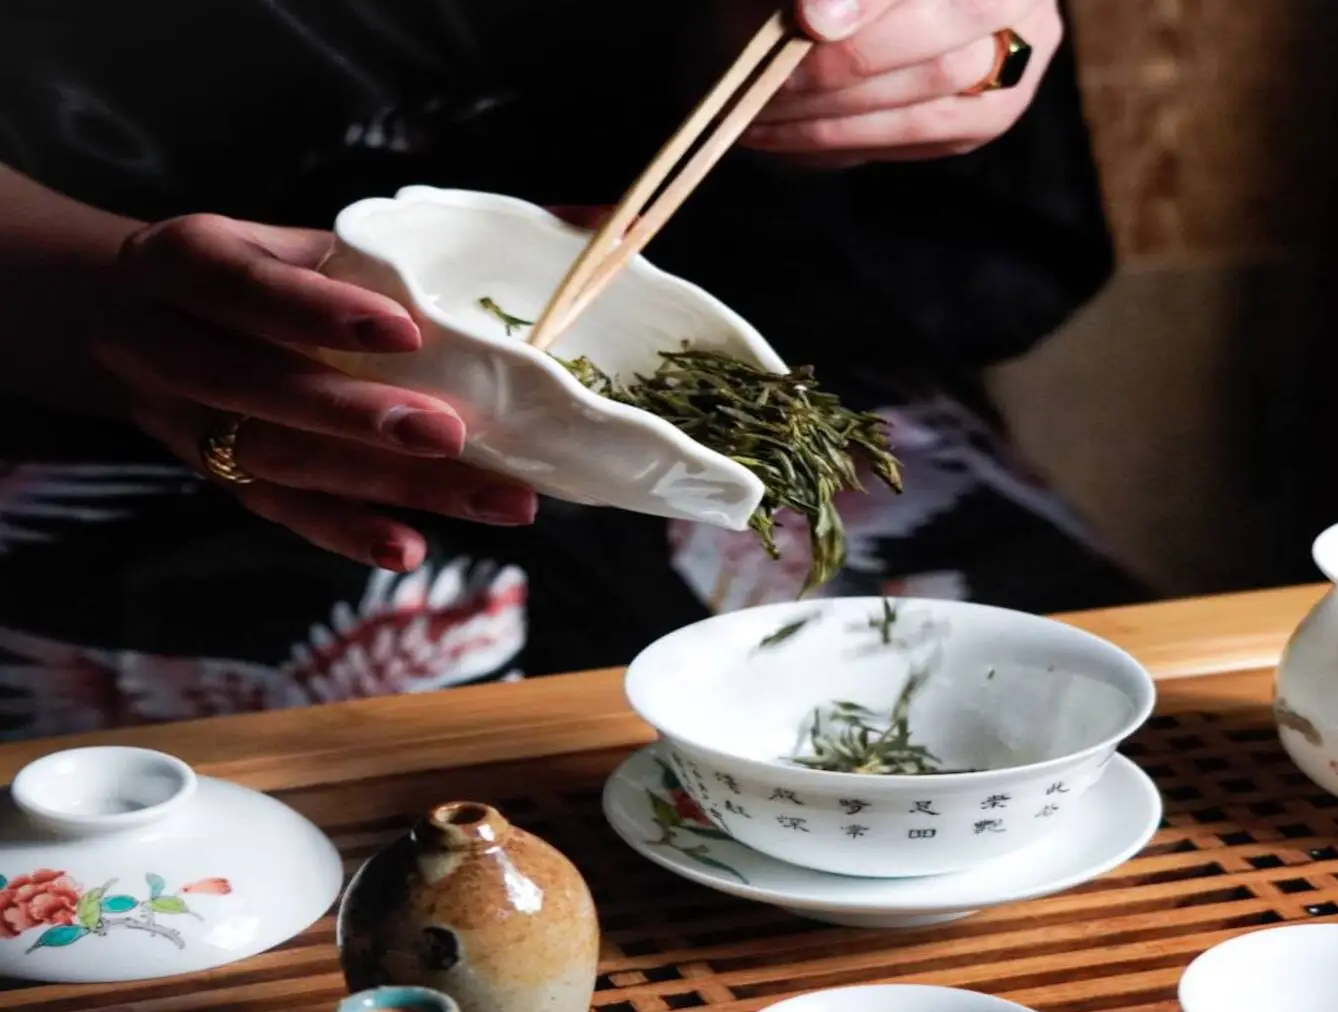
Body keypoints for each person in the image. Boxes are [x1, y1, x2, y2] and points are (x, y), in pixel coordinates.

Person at [0, 0, 1147, 741]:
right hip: (110, 399)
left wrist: (929, 47)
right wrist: (90, 298)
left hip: (761, 332)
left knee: (1063, 705)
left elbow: (953, 37)